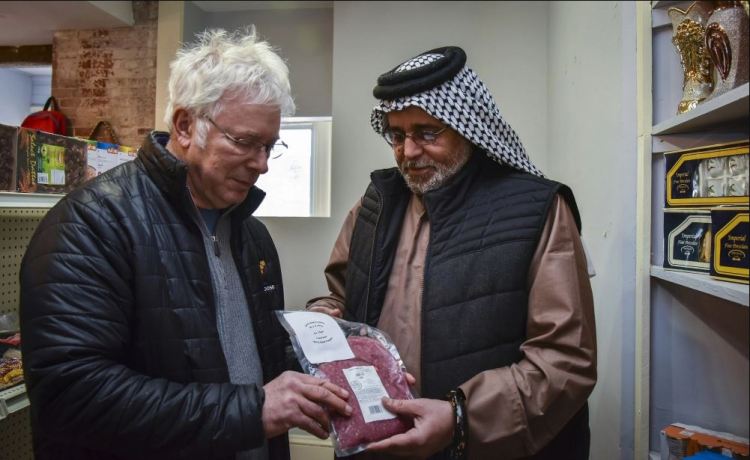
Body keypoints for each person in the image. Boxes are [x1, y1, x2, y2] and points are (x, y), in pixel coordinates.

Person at [19, 28, 351, 460]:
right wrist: (250, 412)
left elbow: (247, 357)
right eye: (245, 142)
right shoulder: (90, 224)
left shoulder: (253, 237)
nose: (263, 165)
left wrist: (317, 350)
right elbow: (71, 396)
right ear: (184, 125)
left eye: (270, 146)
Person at [307, 46, 597, 459]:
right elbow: (341, 297)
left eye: (427, 132)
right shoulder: (376, 202)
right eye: (397, 134)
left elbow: (565, 359)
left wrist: (462, 419)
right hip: (379, 439)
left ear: (469, 126)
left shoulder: (537, 210)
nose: (408, 152)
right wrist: (324, 315)